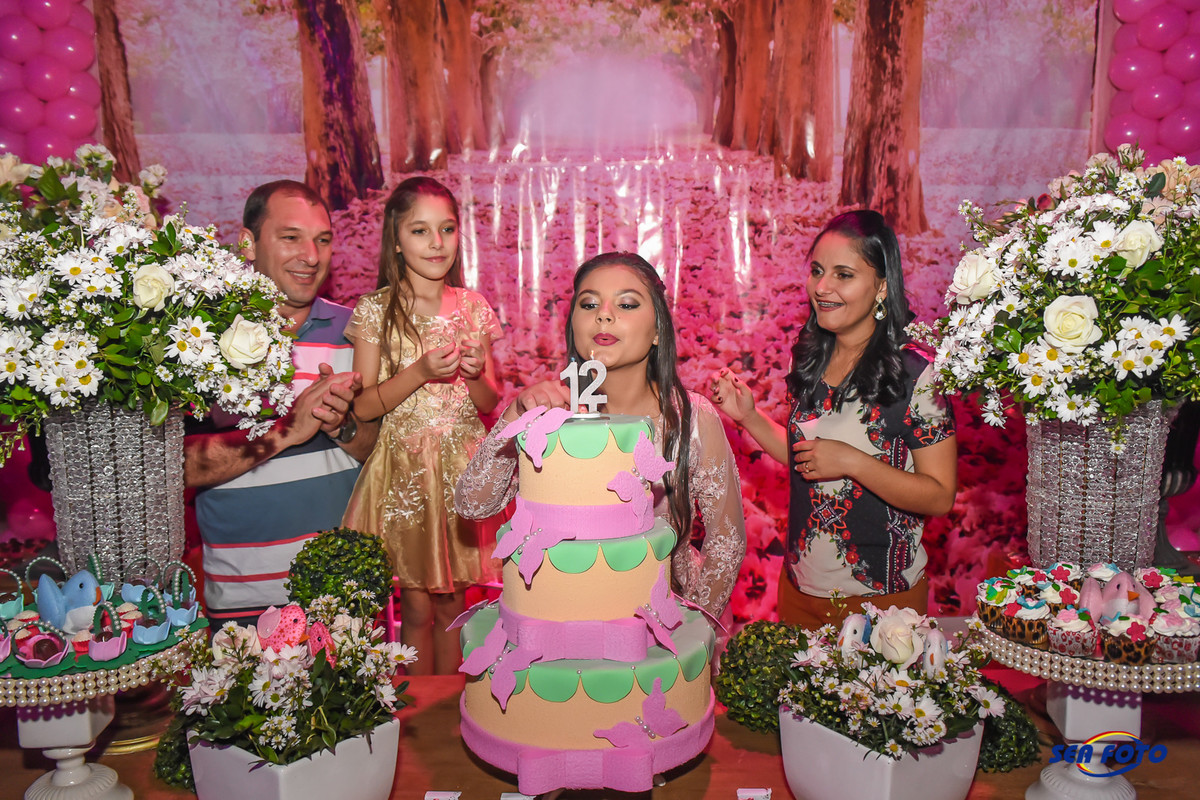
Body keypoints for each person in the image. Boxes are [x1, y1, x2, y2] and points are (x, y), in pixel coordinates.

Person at [455, 251, 747, 620]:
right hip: (560, 617)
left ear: (658, 330)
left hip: (667, 617)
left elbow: (727, 541)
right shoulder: (551, 415)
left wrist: (693, 628)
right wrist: (516, 413)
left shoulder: (692, 418)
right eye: (589, 304)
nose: (604, 315)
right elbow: (473, 504)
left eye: (626, 304)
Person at [710, 210, 956, 630]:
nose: (822, 287)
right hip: (800, 590)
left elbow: (939, 496)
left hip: (883, 605)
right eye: (817, 271)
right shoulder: (809, 356)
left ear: (881, 286)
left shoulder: (916, 374)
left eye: (843, 275)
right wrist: (749, 417)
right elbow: (808, 457)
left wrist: (853, 461)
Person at [184, 180, 376, 626]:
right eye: (291, 237)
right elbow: (178, 466)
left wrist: (342, 424)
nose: (311, 256)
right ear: (248, 244)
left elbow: (381, 452)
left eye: (323, 240)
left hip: (345, 595)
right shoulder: (198, 337)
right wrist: (287, 430)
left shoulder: (358, 332)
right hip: (243, 601)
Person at [342, 177, 502, 676]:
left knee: (454, 605)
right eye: (420, 230)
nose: (436, 243)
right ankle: (416, 708)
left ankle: (450, 708)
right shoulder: (376, 310)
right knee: (414, 608)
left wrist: (474, 375)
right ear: (396, 239)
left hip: (461, 473)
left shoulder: (473, 306)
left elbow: (490, 400)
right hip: (405, 477)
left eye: (447, 229)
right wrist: (419, 372)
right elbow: (363, 406)